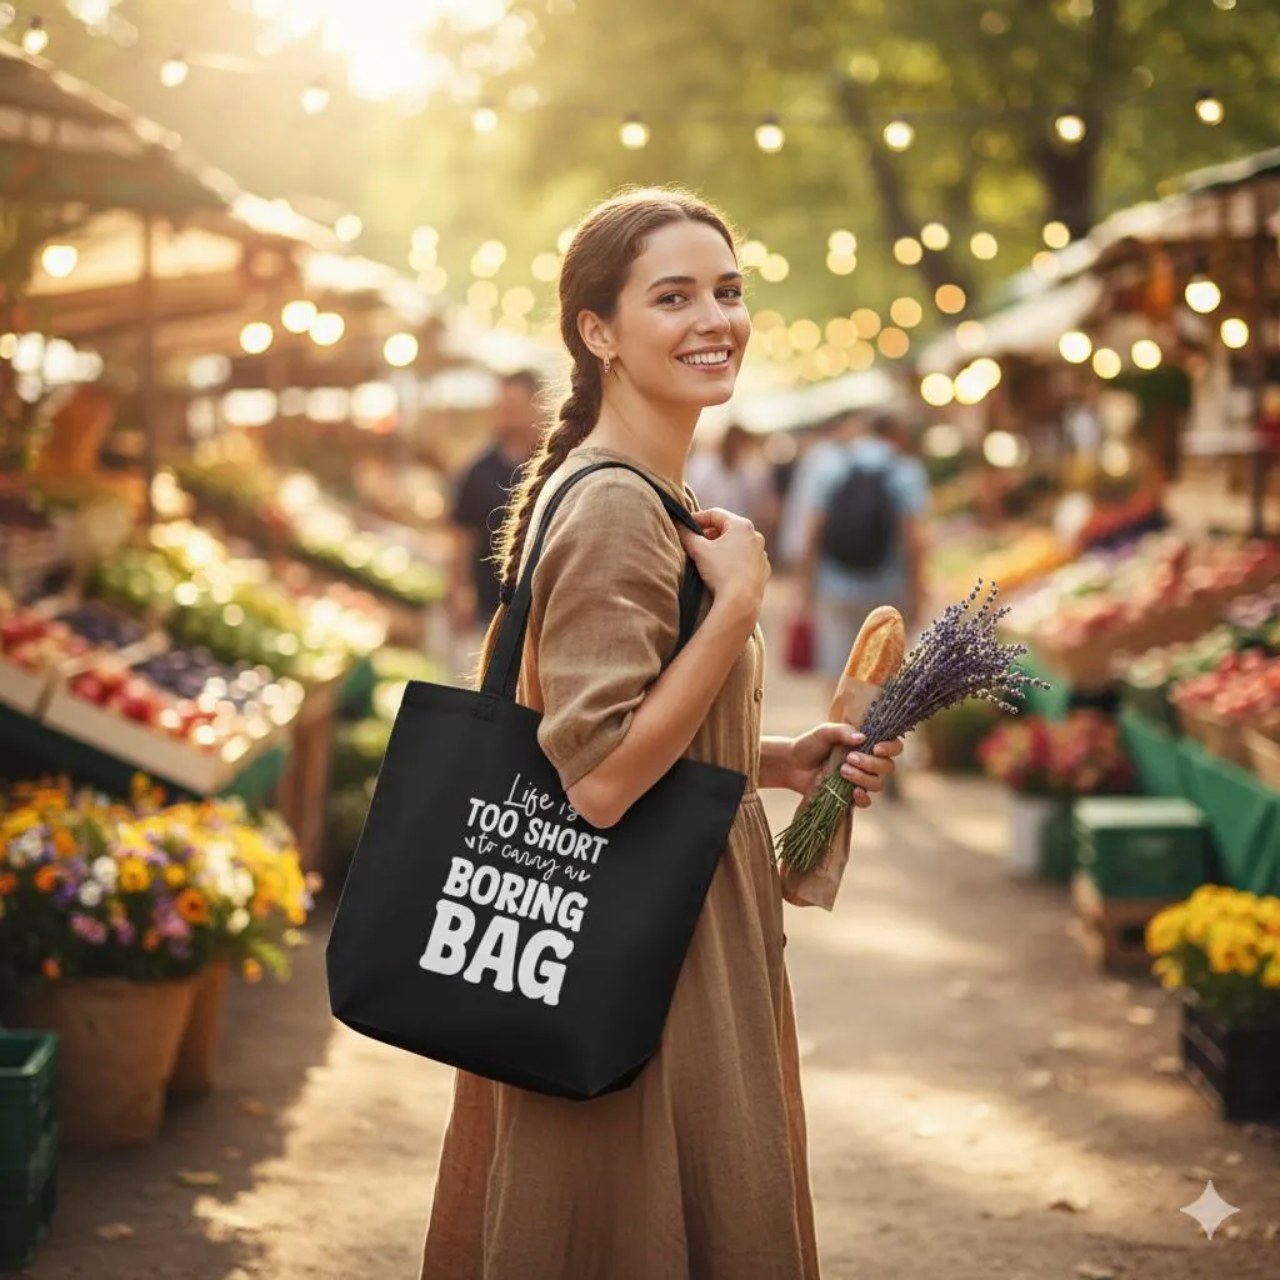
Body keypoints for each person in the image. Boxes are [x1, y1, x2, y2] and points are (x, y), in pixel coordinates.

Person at [420, 187, 902, 1280]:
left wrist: (772, 761)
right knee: (634, 1223)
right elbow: (596, 780)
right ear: (597, 331)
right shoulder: (617, 507)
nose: (714, 319)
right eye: (672, 297)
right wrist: (737, 605)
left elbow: (606, 727)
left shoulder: (647, 492)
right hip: (644, 949)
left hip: (664, 926)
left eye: (726, 291)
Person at [801, 411, 929, 681]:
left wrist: (806, 587)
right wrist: (917, 593)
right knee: (881, 674)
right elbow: (913, 540)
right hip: (887, 589)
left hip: (834, 585)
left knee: (837, 669)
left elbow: (813, 531)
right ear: (896, 435)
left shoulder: (832, 467)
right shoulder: (905, 470)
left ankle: (835, 710)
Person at [447, 369, 544, 641]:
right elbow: (462, 537)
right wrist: (460, 590)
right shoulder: (477, 471)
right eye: (502, 406)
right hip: (490, 606)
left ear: (535, 408)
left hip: (541, 607)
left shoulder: (554, 464)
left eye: (514, 406)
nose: (506, 414)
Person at [685, 420, 780, 542]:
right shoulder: (703, 467)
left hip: (735, 535)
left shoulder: (747, 472)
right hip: (705, 534)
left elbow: (758, 506)